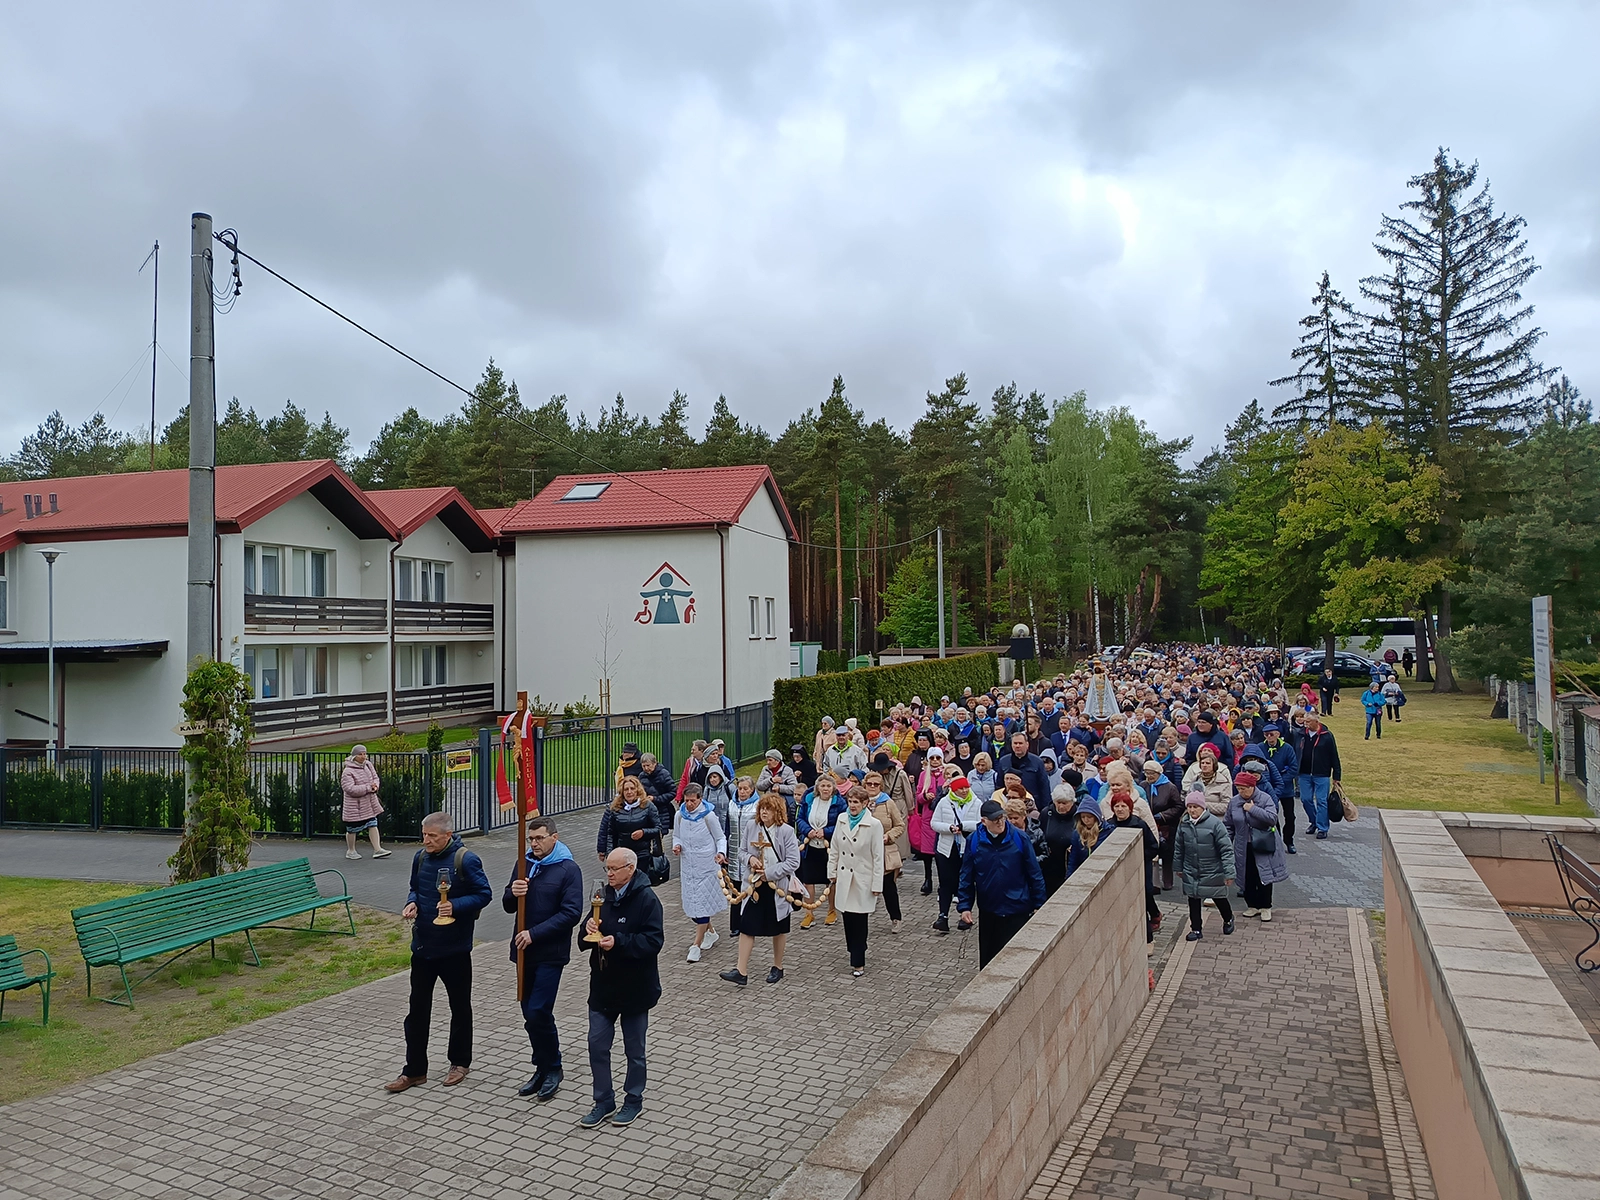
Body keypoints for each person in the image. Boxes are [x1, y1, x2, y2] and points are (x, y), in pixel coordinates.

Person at [387, 811, 493, 1092]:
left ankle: (459, 1062)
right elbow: (415, 888)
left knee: (459, 1008)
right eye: (424, 835)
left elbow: (484, 894)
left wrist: (455, 906)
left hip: (455, 949)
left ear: (448, 835)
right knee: (417, 1011)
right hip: (423, 947)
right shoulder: (420, 858)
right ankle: (414, 1071)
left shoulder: (466, 859)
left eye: (432, 836)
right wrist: (413, 903)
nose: (427, 841)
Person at [579, 848, 665, 1128]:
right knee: (596, 1045)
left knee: (634, 1050)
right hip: (603, 985)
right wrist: (587, 929)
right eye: (607, 869)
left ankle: (633, 1100)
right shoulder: (602, 894)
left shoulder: (647, 899)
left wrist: (619, 942)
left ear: (630, 869)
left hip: (635, 988)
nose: (610, 874)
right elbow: (584, 935)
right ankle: (603, 1100)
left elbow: (653, 941)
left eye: (615, 869)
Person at [503, 815, 585, 1101]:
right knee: (528, 1013)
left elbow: (571, 913)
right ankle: (541, 1066)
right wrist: (513, 892)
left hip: (550, 953)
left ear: (554, 837)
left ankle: (554, 1067)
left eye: (539, 838)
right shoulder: (523, 864)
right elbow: (507, 906)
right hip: (524, 953)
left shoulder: (568, 869)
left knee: (539, 1010)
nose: (534, 844)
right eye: (531, 839)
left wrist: (535, 934)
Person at [721, 793, 802, 986]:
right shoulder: (751, 826)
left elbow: (793, 862)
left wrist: (771, 872)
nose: (764, 812)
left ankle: (778, 966)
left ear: (777, 811)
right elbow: (740, 851)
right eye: (762, 808)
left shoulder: (786, 831)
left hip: (777, 888)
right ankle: (741, 971)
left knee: (779, 928)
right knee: (747, 925)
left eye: (769, 809)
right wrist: (750, 859)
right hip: (755, 885)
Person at [956, 799, 1047, 968]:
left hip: (1017, 909)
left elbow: (1034, 873)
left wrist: (1039, 904)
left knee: (1017, 962)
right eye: (995, 819)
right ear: (984, 821)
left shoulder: (1020, 838)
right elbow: (966, 876)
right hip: (990, 910)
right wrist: (965, 906)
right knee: (989, 962)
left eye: (1002, 818)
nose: (1000, 822)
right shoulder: (974, 841)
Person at [828, 785, 885, 977]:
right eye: (850, 802)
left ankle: (858, 961)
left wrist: (877, 884)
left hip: (863, 879)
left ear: (865, 804)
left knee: (860, 921)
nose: (852, 806)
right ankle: (855, 949)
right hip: (845, 877)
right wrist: (832, 871)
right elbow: (835, 847)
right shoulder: (842, 819)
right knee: (848, 919)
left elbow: (878, 857)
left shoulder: (874, 825)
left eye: (856, 802)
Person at [671, 784, 728, 962]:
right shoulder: (680, 815)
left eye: (692, 801)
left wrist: (721, 853)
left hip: (707, 866)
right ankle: (710, 932)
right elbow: (677, 835)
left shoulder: (709, 816)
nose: (689, 804)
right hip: (688, 867)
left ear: (700, 799)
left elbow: (720, 837)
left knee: (702, 904)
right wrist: (677, 845)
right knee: (694, 905)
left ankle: (695, 945)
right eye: (686, 801)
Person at [1225, 772, 1287, 922]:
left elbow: (1272, 819)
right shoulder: (1234, 802)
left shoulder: (1265, 798)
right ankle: (1252, 905)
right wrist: (1226, 841)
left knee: (1264, 875)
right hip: (1242, 845)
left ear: (1252, 787)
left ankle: (1266, 906)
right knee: (1247, 875)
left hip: (1262, 844)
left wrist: (1253, 809)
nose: (1241, 792)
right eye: (1238, 789)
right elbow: (1228, 824)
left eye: (1244, 788)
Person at [1174, 791, 1234, 940]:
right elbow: (1179, 847)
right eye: (1189, 806)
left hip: (1212, 869)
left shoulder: (1215, 824)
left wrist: (1229, 873)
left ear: (1202, 807)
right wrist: (1178, 867)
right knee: (1193, 899)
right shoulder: (1184, 824)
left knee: (1218, 896)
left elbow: (1226, 850)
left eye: (1195, 807)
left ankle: (1228, 918)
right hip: (1191, 868)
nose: (1192, 810)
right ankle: (1196, 929)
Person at [1107, 791, 1161, 954]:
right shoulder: (1109, 825)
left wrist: (1136, 855)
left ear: (1130, 808)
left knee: (1141, 902)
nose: (1120, 809)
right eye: (1117, 806)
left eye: (1124, 806)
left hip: (1139, 868)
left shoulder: (1139, 824)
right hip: (1118, 872)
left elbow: (1153, 847)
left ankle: (1148, 939)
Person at [931, 775, 982, 934]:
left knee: (965, 883)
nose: (964, 790)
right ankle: (943, 916)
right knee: (946, 883)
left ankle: (965, 916)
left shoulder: (976, 802)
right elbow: (934, 823)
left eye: (966, 787)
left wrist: (963, 826)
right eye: (961, 788)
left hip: (967, 848)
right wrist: (949, 828)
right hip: (947, 848)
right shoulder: (944, 802)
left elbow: (981, 824)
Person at [796, 772, 847, 928]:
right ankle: (809, 913)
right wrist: (808, 830)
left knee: (830, 881)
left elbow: (842, 822)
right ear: (817, 787)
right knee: (808, 881)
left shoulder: (839, 803)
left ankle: (831, 911)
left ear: (833, 788)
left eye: (828, 786)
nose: (825, 789)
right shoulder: (809, 799)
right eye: (822, 785)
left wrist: (826, 831)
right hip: (810, 846)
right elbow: (800, 818)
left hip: (829, 847)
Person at [863, 770, 905, 932]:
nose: (872, 787)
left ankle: (896, 918)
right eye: (869, 784)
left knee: (888, 887)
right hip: (864, 852)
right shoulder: (859, 801)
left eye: (876, 784)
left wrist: (889, 836)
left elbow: (900, 825)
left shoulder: (888, 803)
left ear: (881, 786)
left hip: (884, 851)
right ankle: (863, 917)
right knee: (864, 886)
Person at [596, 777, 662, 870]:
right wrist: (609, 854)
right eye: (626, 789)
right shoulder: (615, 808)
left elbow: (658, 828)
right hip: (622, 854)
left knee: (640, 882)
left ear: (637, 790)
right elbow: (611, 833)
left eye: (632, 788)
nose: (629, 792)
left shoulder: (647, 805)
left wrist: (643, 832)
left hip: (642, 854)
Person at [723, 775, 761, 936]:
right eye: (740, 788)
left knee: (752, 888)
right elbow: (727, 829)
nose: (743, 791)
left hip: (751, 852)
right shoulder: (732, 804)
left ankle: (752, 923)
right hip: (734, 850)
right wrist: (725, 850)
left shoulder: (758, 805)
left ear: (752, 790)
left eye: (746, 788)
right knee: (736, 889)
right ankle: (735, 925)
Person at [1297, 711, 1342, 841]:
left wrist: (1336, 775)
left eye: (1308, 721)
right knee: (1306, 799)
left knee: (1322, 801)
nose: (1305, 723)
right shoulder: (1300, 735)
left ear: (1317, 722)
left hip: (1321, 773)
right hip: (1304, 773)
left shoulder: (1327, 736)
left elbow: (1334, 756)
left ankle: (1322, 828)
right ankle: (1314, 821)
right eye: (1305, 721)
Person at [341, 745, 390, 860]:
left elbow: (375, 778)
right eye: (360, 754)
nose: (363, 757)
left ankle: (377, 849)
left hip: (368, 803)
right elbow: (350, 789)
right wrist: (368, 788)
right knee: (352, 829)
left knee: (373, 823)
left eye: (364, 754)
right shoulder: (348, 771)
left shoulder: (368, 765)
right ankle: (351, 850)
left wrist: (375, 786)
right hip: (355, 806)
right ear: (354, 756)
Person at [1038, 783, 1080, 897]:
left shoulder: (1079, 815)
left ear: (1072, 802)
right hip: (1049, 866)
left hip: (1070, 864)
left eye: (1065, 803)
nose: (1061, 806)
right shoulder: (1046, 813)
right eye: (1058, 803)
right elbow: (1039, 834)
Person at [996, 730, 1051, 811]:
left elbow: (1044, 787)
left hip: (1031, 806)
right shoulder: (1004, 761)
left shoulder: (1037, 762)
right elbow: (999, 785)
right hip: (1008, 805)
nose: (1017, 746)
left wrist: (1045, 809)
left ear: (1027, 745)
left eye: (1020, 743)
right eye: (1015, 743)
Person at [637, 751, 677, 826]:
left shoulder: (664, 774)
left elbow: (672, 792)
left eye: (648, 765)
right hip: (646, 810)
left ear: (654, 764)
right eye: (644, 766)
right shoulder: (641, 776)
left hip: (663, 811)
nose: (646, 768)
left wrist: (655, 799)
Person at [756, 748, 798, 813]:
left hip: (782, 804)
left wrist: (780, 788)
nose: (768, 763)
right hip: (767, 802)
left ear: (777, 761)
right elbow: (759, 786)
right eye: (767, 760)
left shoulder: (787, 770)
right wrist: (771, 780)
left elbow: (794, 788)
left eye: (770, 760)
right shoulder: (765, 769)